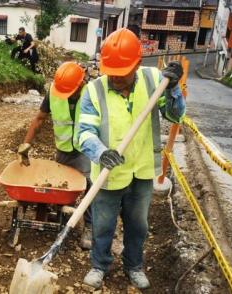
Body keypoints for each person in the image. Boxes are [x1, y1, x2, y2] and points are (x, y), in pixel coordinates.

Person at [76, 28, 185, 289]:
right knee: (102, 225)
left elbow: (175, 116)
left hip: (142, 170)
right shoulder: (94, 90)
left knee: (138, 226)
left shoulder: (154, 80)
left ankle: (133, 265)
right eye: (109, 71)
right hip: (108, 172)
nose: (114, 77)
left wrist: (172, 90)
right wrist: (101, 153)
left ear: (137, 64)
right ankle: (99, 265)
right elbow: (83, 133)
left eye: (120, 72)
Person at [17, 61, 93, 249]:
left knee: (91, 188)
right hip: (64, 149)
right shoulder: (54, 91)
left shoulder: (92, 93)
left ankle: (90, 226)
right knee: (61, 186)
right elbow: (40, 118)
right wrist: (26, 143)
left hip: (88, 150)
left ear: (81, 83)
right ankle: (61, 214)